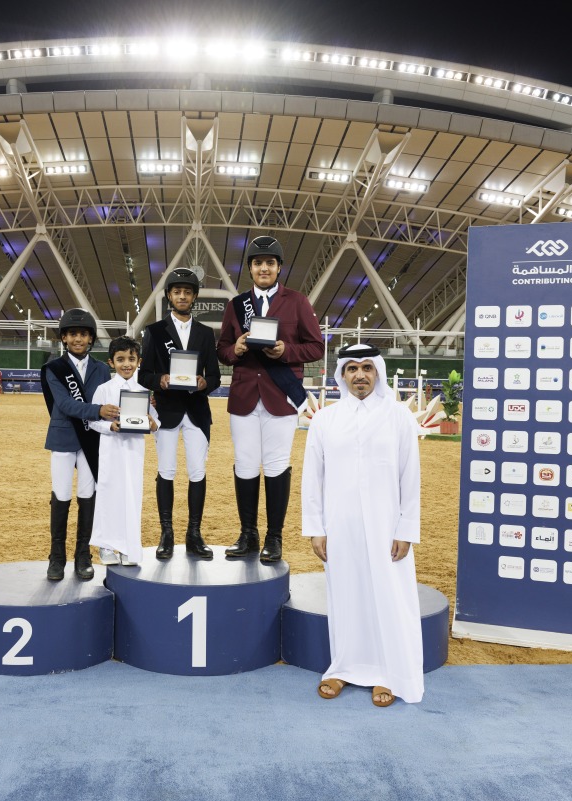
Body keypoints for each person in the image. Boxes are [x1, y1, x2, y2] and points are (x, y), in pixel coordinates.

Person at [301, 343, 424, 707]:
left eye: (367, 368)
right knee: (345, 593)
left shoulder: (399, 416)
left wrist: (406, 529)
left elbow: (410, 477)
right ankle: (344, 666)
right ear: (342, 374)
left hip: (387, 525)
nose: (360, 375)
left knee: (386, 594)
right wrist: (316, 527)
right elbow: (313, 477)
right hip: (340, 524)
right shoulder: (326, 419)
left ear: (378, 372)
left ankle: (387, 671)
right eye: (352, 368)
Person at [217, 235, 324, 563]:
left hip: (281, 396)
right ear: (250, 268)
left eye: (270, 263)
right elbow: (221, 349)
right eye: (258, 263)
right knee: (246, 465)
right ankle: (248, 534)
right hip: (245, 397)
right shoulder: (236, 306)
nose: (264, 268)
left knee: (277, 464)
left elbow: (316, 347)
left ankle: (273, 538)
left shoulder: (298, 302)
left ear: (279, 268)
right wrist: (234, 349)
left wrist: (285, 350)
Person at [138, 267, 221, 560]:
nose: (182, 296)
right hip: (167, 412)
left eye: (187, 292)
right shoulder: (154, 331)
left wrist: (204, 383)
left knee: (198, 473)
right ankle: (167, 534)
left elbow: (215, 377)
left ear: (194, 296)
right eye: (177, 292)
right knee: (167, 472)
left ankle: (194, 535)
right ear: (169, 296)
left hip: (197, 411)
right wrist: (159, 379)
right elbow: (143, 374)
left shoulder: (205, 333)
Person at [39, 308, 119, 581]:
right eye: (73, 334)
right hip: (63, 439)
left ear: (91, 339)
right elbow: (64, 404)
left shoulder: (101, 369)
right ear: (64, 338)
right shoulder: (53, 369)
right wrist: (97, 411)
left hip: (91, 441)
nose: (78, 339)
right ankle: (56, 557)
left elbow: (115, 395)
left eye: (83, 334)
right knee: (61, 497)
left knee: (87, 497)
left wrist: (141, 401)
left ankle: (82, 555)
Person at [88, 336, 158, 566]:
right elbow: (92, 422)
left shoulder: (143, 391)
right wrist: (110, 425)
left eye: (131, 359)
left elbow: (154, 422)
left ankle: (129, 547)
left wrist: (152, 422)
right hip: (110, 452)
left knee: (132, 497)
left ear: (139, 361)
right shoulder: (103, 389)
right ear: (111, 362)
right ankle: (106, 546)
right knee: (108, 495)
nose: (126, 364)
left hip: (134, 454)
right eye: (120, 359)